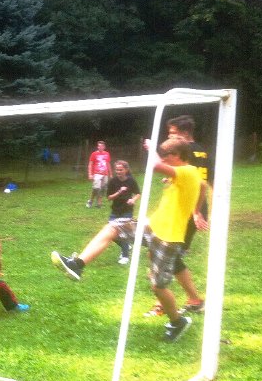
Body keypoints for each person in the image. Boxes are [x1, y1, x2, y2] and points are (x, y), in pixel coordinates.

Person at [52, 138, 207, 342]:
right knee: (113, 227)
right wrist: (196, 211)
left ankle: (178, 322)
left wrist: (151, 148)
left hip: (168, 238)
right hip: (152, 226)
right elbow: (202, 186)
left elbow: (155, 166)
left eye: (165, 156)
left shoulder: (186, 172)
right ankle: (77, 264)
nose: (163, 159)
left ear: (177, 156)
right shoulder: (187, 174)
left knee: (158, 287)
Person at [145, 115, 210, 317]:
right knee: (162, 253)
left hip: (186, 210)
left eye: (172, 133)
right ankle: (192, 300)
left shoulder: (186, 152)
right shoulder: (201, 151)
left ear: (185, 133)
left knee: (167, 254)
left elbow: (198, 182)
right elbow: (199, 183)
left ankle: (165, 302)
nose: (169, 137)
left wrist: (195, 212)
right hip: (189, 207)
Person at [106, 160, 140, 265]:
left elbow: (138, 193)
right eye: (117, 170)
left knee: (124, 233)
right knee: (111, 233)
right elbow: (109, 197)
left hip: (127, 211)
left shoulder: (131, 181)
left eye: (120, 170)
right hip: (115, 211)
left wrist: (133, 200)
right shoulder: (113, 181)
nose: (118, 172)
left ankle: (125, 256)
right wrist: (119, 192)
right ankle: (126, 246)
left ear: (126, 170)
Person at [86, 140, 112, 208]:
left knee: (103, 189)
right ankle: (91, 201)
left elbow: (108, 164)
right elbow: (90, 164)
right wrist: (90, 174)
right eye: (99, 146)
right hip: (97, 173)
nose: (100, 147)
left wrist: (111, 174)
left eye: (102, 146)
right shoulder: (94, 154)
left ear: (104, 147)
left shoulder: (107, 154)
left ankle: (99, 204)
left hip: (105, 174)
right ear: (97, 147)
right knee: (96, 188)